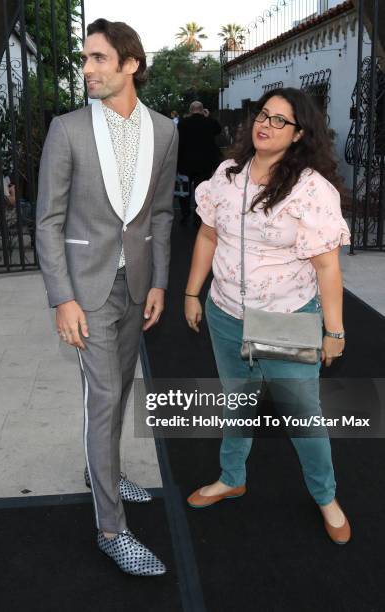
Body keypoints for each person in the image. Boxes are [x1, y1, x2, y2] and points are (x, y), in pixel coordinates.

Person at [35, 18, 178, 575]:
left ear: (130, 64)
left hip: (136, 283)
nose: (87, 69)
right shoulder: (67, 129)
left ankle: (105, 471)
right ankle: (110, 528)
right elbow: (47, 221)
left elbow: (161, 214)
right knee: (102, 395)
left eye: (98, 58)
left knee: (120, 391)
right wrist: (61, 297)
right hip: (86, 287)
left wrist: (161, 280)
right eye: (85, 58)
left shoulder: (164, 131)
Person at [184, 87, 352, 544]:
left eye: (281, 120)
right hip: (225, 313)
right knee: (238, 402)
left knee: (303, 416)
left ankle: (326, 497)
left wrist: (333, 331)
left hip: (283, 319)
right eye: (264, 114)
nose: (266, 124)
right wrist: (192, 292)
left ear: (299, 134)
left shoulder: (310, 189)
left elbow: (326, 266)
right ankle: (232, 477)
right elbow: (206, 236)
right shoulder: (227, 174)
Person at [177, 101, 221, 224]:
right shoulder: (209, 122)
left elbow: (179, 143)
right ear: (202, 110)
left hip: (185, 164)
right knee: (201, 191)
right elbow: (218, 130)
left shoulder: (183, 123)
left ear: (191, 110)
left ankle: (185, 214)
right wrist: (208, 116)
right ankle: (199, 217)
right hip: (204, 164)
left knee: (184, 191)